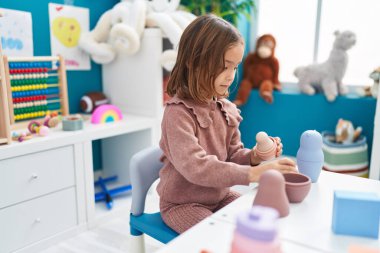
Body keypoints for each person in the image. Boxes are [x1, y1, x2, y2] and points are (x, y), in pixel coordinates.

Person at [157, 14, 297, 234]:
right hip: (182, 204)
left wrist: (255, 157)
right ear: (193, 62)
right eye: (224, 66)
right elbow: (196, 167)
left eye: (235, 67)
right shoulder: (177, 114)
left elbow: (233, 155)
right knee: (217, 236)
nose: (231, 76)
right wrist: (254, 174)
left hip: (219, 196)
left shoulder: (226, 109)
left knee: (256, 222)